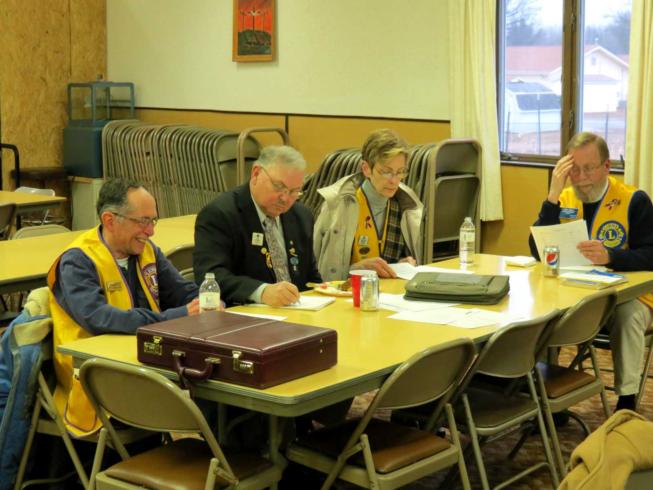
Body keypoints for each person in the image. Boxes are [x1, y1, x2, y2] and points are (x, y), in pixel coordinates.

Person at [48, 178, 200, 435]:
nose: (150, 231)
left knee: (209, 389)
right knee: (197, 402)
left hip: (143, 364)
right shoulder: (78, 260)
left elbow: (181, 291)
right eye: (143, 221)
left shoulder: (146, 250)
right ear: (110, 220)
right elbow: (100, 319)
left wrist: (207, 299)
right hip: (97, 377)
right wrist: (176, 316)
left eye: (153, 221)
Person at [529, 132, 653, 411]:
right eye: (574, 169)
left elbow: (650, 254)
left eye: (589, 168)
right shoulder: (563, 199)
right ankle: (549, 402)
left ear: (606, 167)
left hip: (627, 298)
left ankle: (627, 400)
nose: (581, 177)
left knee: (629, 315)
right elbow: (537, 250)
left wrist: (612, 256)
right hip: (576, 298)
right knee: (543, 315)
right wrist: (552, 196)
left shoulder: (634, 200)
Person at [194, 145, 322, 306]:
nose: (285, 199)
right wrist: (261, 292)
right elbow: (210, 275)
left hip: (298, 312)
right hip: (244, 313)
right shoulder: (220, 214)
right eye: (279, 187)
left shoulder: (301, 216)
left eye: (294, 191)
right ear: (256, 174)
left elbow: (310, 277)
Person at [313, 128, 423, 281]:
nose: (394, 181)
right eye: (386, 172)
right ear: (366, 169)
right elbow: (318, 273)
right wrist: (355, 270)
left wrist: (401, 264)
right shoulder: (338, 205)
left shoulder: (407, 205)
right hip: (347, 291)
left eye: (400, 172)